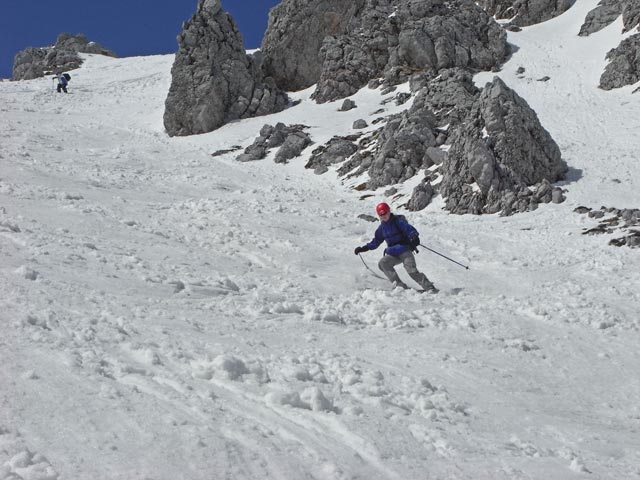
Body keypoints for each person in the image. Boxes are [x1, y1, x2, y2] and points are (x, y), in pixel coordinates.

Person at [354, 202, 438, 293]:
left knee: (411, 271)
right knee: (383, 263)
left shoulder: (398, 221)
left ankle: (429, 287)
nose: (384, 216)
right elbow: (376, 241)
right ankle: (399, 285)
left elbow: (409, 229)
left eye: (385, 213)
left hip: (405, 250)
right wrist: (363, 248)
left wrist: (414, 237)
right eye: (381, 215)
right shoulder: (382, 228)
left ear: (389, 211)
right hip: (393, 254)